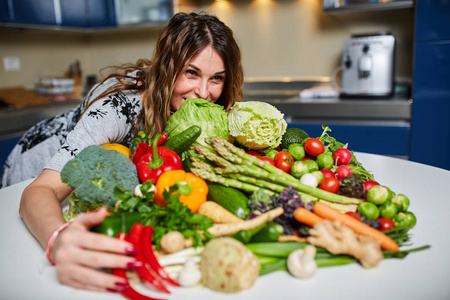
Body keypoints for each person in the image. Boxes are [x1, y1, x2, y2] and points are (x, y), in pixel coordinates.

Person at [10, 12, 244, 293]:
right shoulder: (119, 107)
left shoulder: (206, 112)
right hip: (31, 165)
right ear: (167, 68)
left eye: (216, 78)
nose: (203, 92)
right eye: (191, 72)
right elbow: (38, 191)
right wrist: (58, 240)